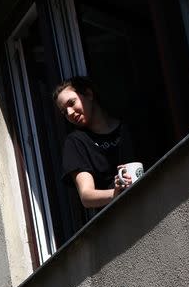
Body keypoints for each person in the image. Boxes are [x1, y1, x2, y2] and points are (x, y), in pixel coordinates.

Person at [53, 77, 137, 210]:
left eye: (72, 103)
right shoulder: (76, 142)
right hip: (116, 219)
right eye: (64, 112)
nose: (69, 113)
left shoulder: (127, 128)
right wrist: (115, 193)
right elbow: (87, 196)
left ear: (89, 94)